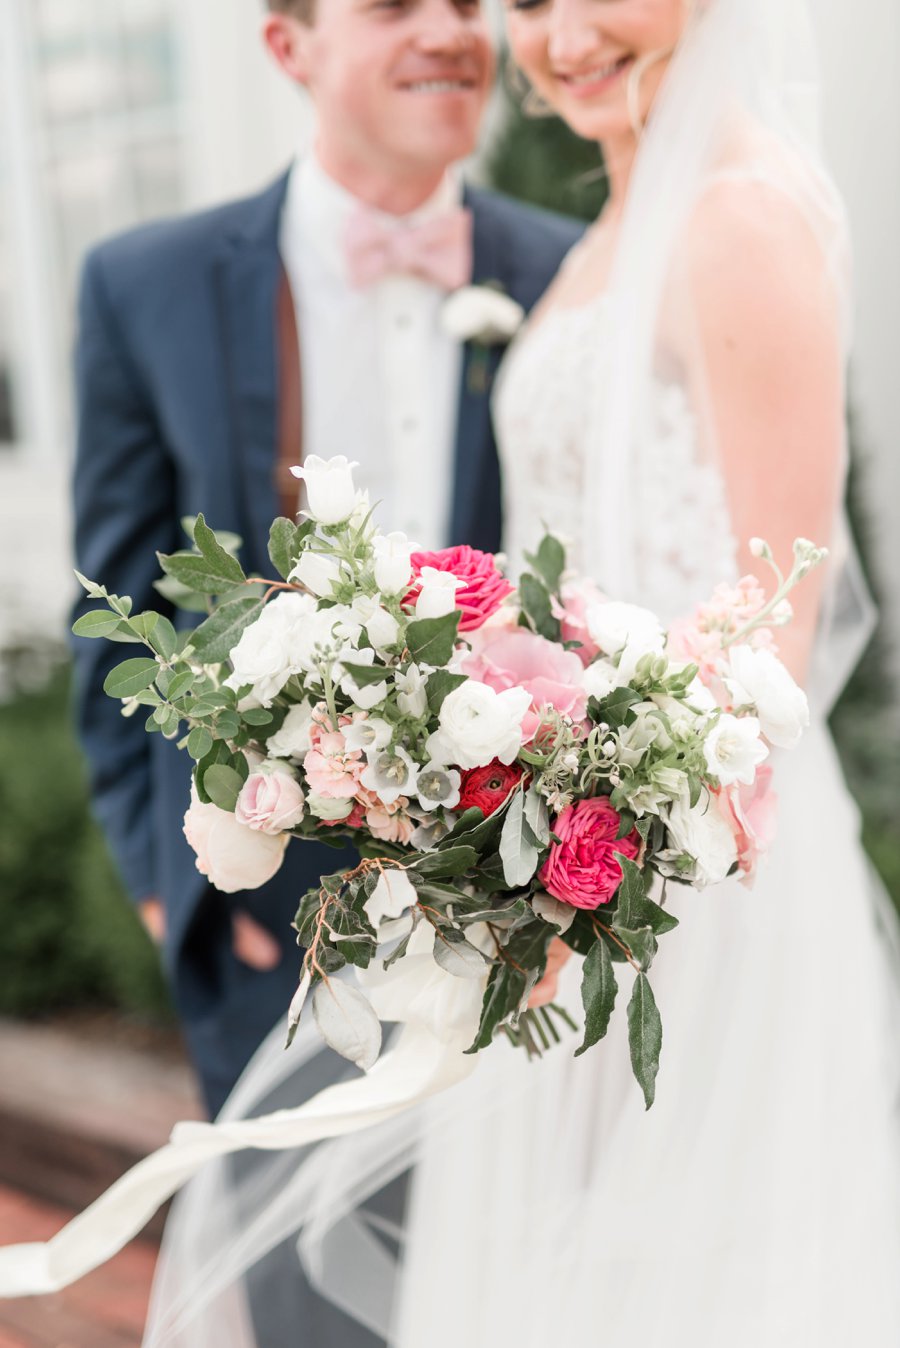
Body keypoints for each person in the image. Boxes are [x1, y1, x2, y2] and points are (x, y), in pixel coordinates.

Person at [134, 0, 900, 1344]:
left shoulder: (742, 219)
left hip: (691, 874)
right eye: (531, 3)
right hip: (558, 861)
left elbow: (785, 612)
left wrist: (589, 849)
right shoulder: (618, 223)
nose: (559, 37)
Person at [71, 0, 582, 1125]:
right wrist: (175, 893)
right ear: (287, 46)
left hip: (529, 908)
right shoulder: (143, 284)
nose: (449, 32)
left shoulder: (573, 276)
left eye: (464, 5)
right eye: (396, 5)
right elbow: (110, 604)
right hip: (274, 933)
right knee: (303, 1298)